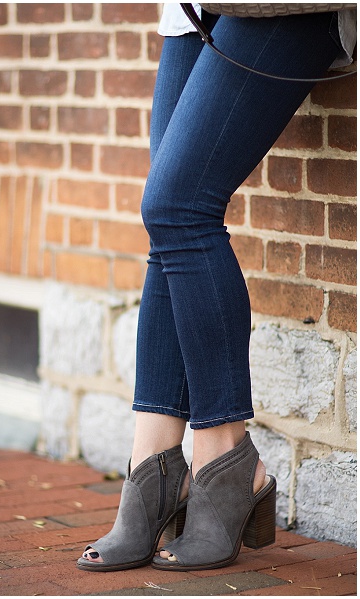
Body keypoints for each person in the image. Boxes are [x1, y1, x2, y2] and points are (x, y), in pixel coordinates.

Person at [77, 5, 356, 572]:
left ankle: (226, 459)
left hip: (281, 5)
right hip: (194, 10)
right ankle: (153, 465)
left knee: (178, 207)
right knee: (168, 227)